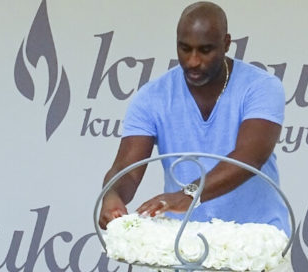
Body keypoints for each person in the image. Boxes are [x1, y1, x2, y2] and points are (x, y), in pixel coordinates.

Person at [98, 1, 289, 236]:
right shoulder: (151, 97)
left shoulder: (261, 87)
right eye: (184, 48)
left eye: (205, 50)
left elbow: (249, 158)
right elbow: (126, 169)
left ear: (226, 43)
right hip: (182, 246)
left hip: (257, 244)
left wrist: (189, 194)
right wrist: (113, 194)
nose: (193, 61)